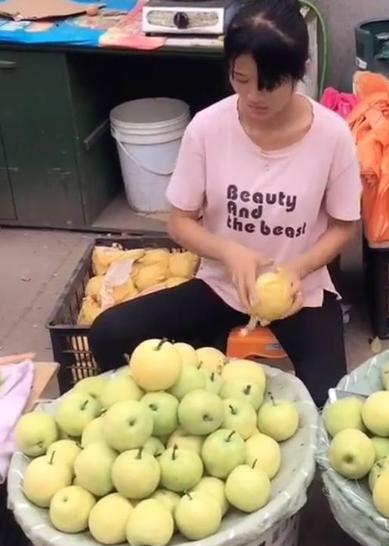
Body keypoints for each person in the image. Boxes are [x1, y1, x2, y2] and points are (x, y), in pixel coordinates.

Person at [89, 0, 362, 407]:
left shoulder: (332, 136)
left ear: (299, 70)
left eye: (271, 83)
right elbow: (180, 221)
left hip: (299, 293)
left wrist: (295, 269)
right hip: (221, 285)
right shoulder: (207, 128)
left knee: (332, 404)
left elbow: (344, 226)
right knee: (109, 332)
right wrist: (230, 253)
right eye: (241, 79)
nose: (254, 96)